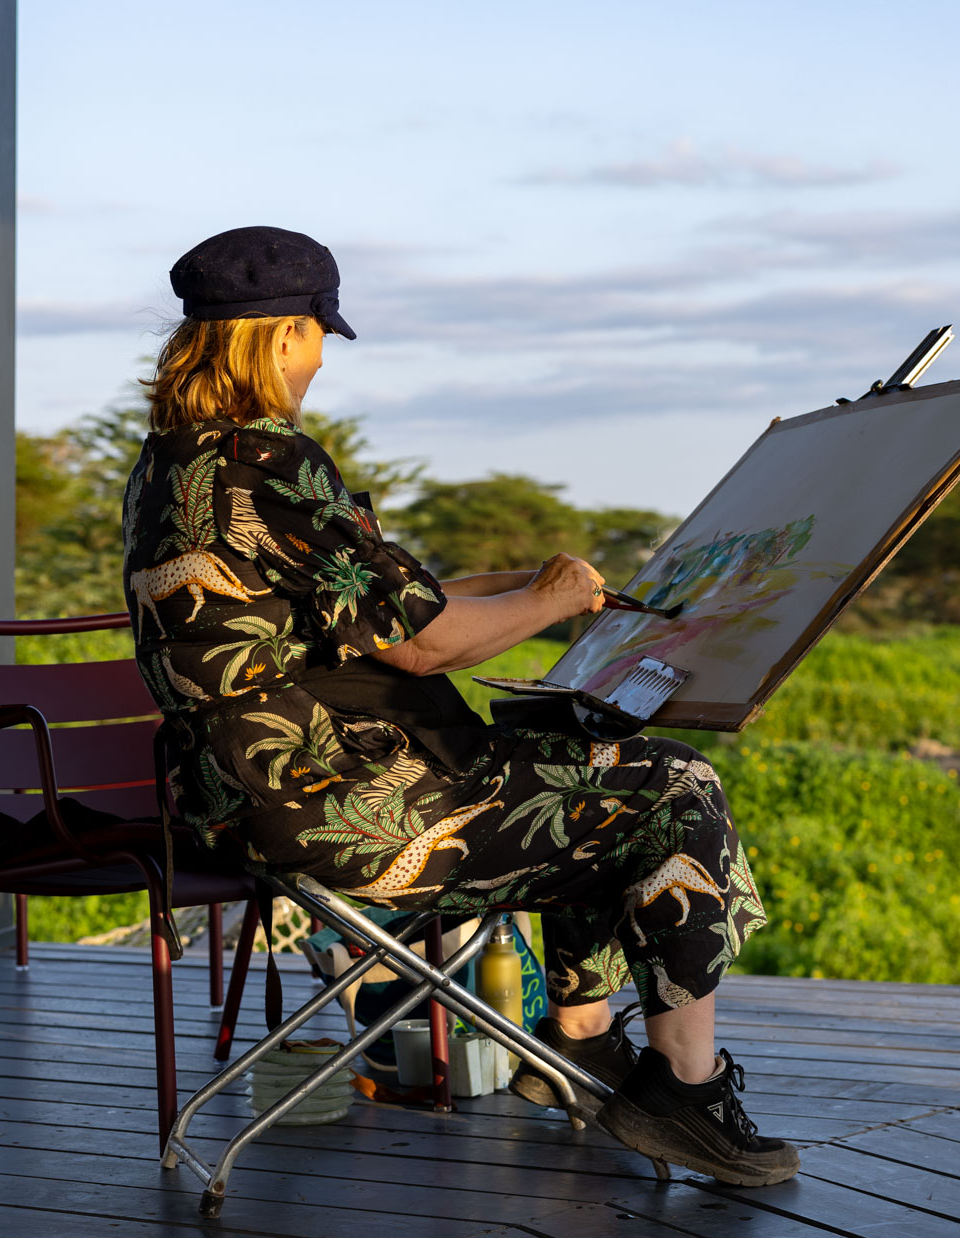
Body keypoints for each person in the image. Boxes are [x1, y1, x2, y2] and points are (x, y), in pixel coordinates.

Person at [124, 226, 797, 1187]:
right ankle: (684, 1092)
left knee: (571, 757)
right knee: (672, 786)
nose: (319, 360)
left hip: (242, 803)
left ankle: (581, 1048)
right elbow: (425, 642)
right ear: (281, 338)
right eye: (320, 336)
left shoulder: (174, 467)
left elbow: (382, 601)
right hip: (350, 808)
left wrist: (533, 586)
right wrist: (552, 604)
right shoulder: (270, 462)